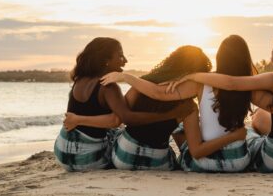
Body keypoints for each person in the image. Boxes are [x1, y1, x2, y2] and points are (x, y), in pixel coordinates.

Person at [64, 45, 246, 171]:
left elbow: (117, 118)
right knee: (179, 143)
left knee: (114, 137)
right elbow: (196, 150)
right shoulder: (188, 107)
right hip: (157, 161)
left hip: (123, 158)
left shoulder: (141, 84)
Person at [167, 35, 273, 173]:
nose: (271, 58)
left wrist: (194, 76)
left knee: (250, 136)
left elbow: (231, 83)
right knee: (259, 119)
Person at [54, 37, 192, 171]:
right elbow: (123, 119)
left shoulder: (79, 80)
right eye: (120, 56)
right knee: (119, 134)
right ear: (105, 61)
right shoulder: (108, 87)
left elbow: (112, 119)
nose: (125, 60)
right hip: (89, 160)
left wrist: (78, 120)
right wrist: (172, 114)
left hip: (62, 153)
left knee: (114, 133)